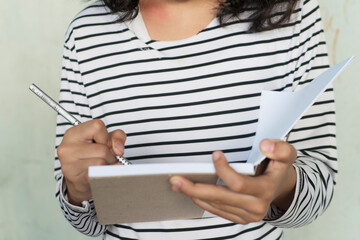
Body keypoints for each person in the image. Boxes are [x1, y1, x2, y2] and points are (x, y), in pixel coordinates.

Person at [54, 0, 337, 238]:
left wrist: (280, 187)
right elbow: (85, 221)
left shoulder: (291, 12)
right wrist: (78, 190)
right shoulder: (87, 32)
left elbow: (320, 182)